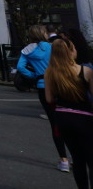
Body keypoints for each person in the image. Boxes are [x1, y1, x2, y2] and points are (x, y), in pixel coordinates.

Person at [17, 24, 70, 172]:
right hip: (60, 83)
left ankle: (63, 159)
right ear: (44, 34)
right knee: (70, 117)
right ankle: (77, 155)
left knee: (54, 123)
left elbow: (20, 67)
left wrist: (33, 76)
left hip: (43, 86)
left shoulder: (27, 50)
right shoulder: (51, 47)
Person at [45, 37, 93, 186]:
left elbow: (49, 99)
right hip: (85, 118)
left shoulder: (50, 72)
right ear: (71, 51)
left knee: (77, 159)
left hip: (63, 117)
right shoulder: (86, 71)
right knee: (92, 159)